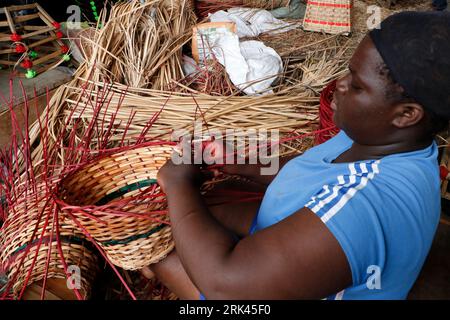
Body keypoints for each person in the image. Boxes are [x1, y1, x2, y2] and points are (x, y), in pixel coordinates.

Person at [148, 11, 450, 299]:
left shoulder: (365, 205)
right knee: (210, 201)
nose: (340, 85)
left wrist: (178, 183)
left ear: (407, 114)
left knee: (159, 254)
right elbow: (315, 171)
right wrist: (245, 165)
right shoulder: (382, 139)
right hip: (308, 250)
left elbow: (227, 286)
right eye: (349, 72)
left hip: (241, 284)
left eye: (357, 85)